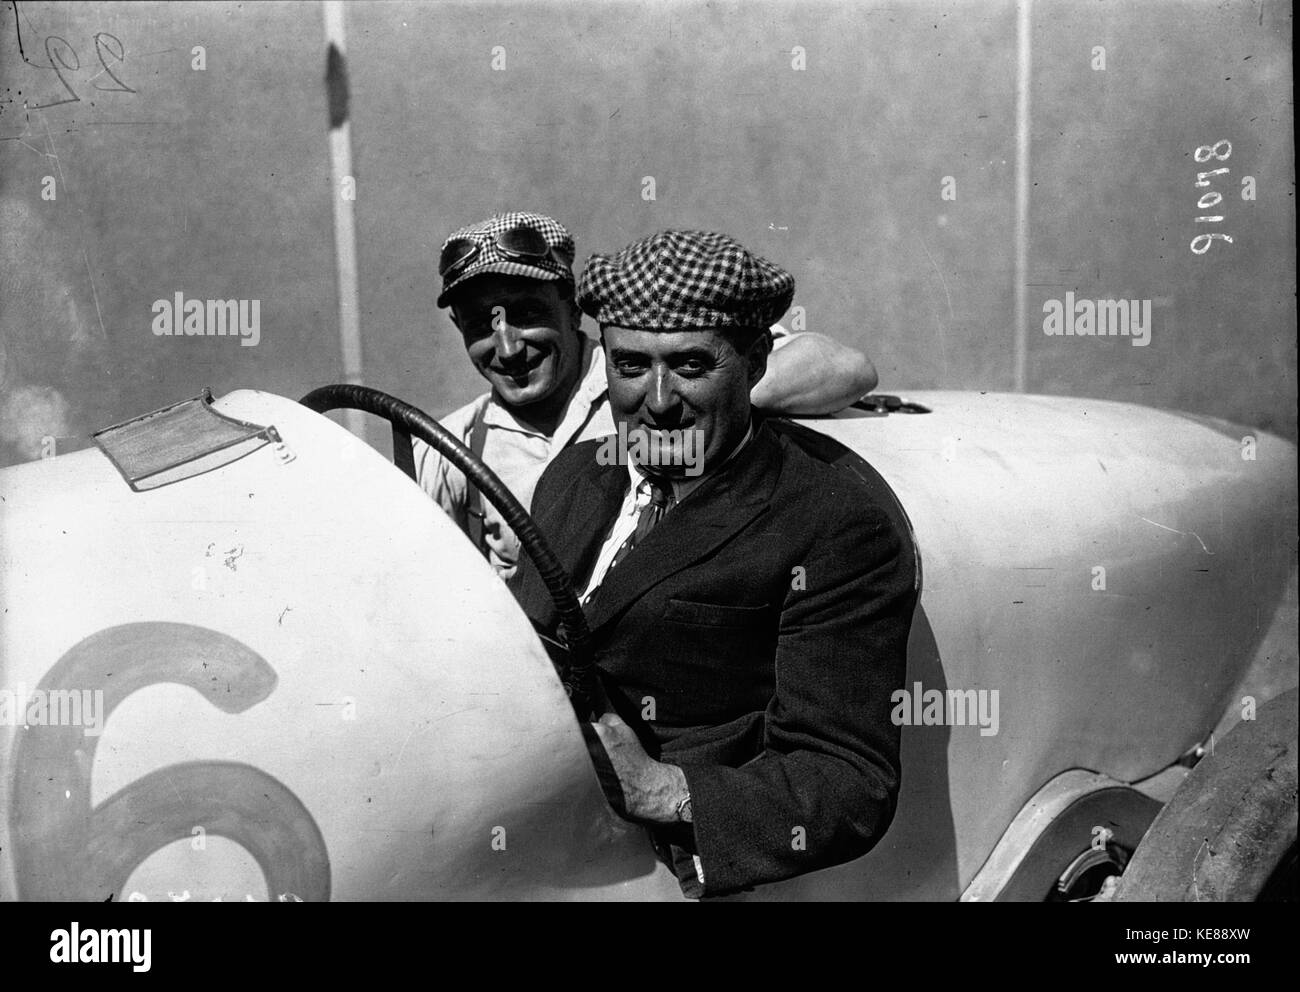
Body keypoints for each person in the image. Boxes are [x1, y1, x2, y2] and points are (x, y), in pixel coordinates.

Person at [510, 230, 917, 898]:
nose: (660, 399)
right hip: (530, 829)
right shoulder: (577, 474)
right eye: (632, 366)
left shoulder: (831, 524)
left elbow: (848, 782)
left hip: (667, 872)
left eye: (692, 365)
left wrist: (663, 791)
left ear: (756, 364)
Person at [412, 211, 878, 580]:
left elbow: (849, 370)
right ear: (458, 328)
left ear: (572, 306)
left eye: (529, 313)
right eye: (480, 325)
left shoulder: (650, 365)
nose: (509, 348)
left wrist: (707, 405)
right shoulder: (447, 449)